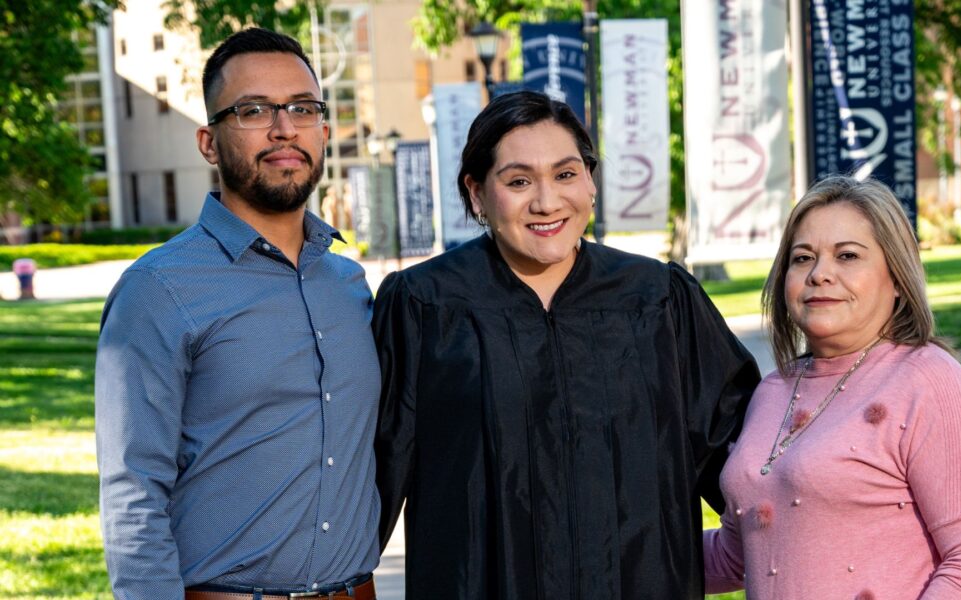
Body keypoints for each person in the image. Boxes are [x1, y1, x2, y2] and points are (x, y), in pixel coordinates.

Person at [372, 90, 760, 600]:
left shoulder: (658, 299)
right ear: (476, 193)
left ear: (591, 181)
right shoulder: (424, 306)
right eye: (517, 181)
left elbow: (748, 457)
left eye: (566, 174)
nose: (547, 201)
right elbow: (369, 477)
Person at [96, 28, 379, 600]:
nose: (284, 128)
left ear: (324, 129)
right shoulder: (157, 289)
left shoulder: (348, 284)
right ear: (208, 142)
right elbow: (133, 495)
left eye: (303, 108)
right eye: (254, 110)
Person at [703, 175, 961, 598]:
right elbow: (736, 555)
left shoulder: (929, 382)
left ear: (897, 279)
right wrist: (608, 549)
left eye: (847, 256)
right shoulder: (771, 392)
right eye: (802, 258)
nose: (820, 274)